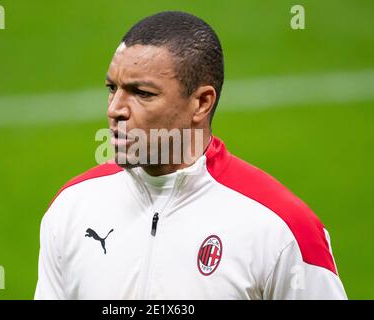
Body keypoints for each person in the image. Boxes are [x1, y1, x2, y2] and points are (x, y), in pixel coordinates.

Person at [34, 11, 347, 299]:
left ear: (201, 103)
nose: (115, 109)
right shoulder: (72, 208)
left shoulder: (280, 228)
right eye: (112, 88)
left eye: (142, 93)